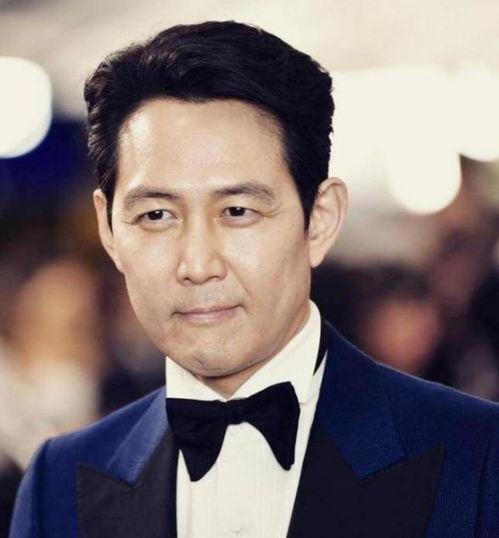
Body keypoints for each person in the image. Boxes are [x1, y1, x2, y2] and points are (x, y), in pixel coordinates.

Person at [10, 21, 499, 538]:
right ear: (109, 230)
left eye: (238, 211)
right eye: (156, 215)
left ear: (320, 220)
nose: (198, 264)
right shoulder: (58, 486)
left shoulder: (479, 457)